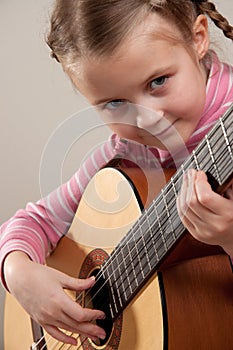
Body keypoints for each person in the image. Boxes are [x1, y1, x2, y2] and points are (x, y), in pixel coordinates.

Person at [1, 0, 233, 346]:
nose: (147, 118)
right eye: (115, 103)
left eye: (157, 82)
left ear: (199, 37)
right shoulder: (125, 156)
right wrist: (18, 272)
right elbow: (37, 220)